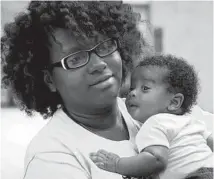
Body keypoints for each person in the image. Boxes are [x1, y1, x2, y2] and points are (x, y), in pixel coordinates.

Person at [1, 1, 149, 179]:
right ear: (49, 80)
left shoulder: (146, 113)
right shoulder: (51, 158)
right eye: (76, 58)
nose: (99, 64)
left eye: (104, 46)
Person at [90, 55, 213, 179]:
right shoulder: (191, 121)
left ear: (174, 102)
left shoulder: (155, 123)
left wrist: (117, 164)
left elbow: (156, 159)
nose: (132, 93)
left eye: (145, 88)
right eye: (131, 89)